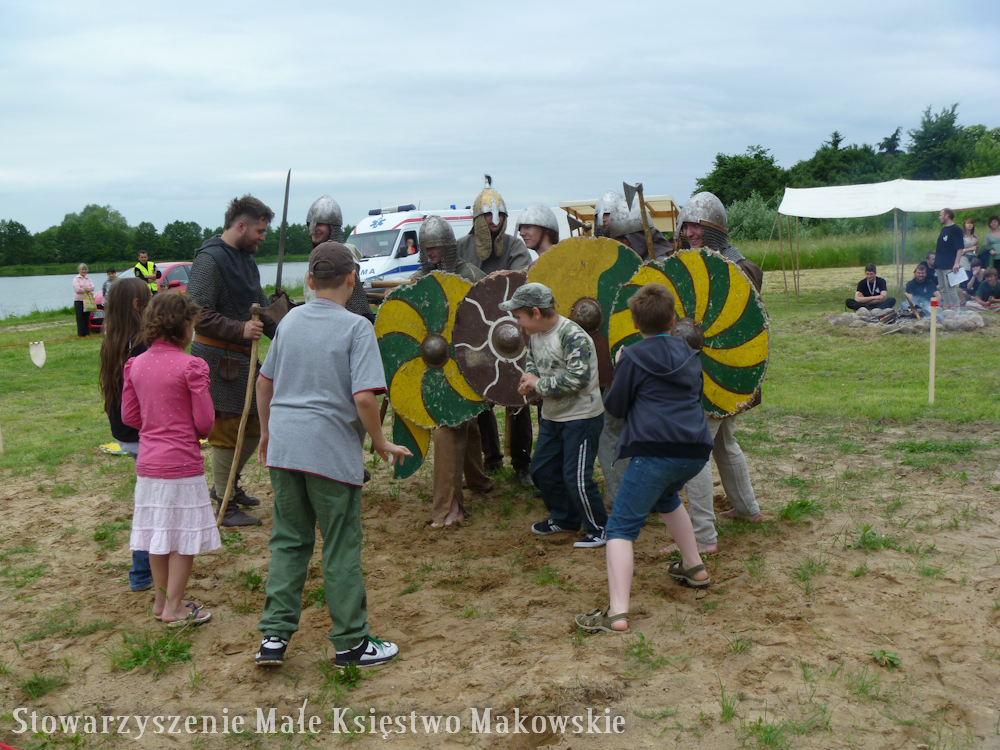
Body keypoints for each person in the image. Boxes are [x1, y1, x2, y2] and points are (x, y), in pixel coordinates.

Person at [254, 241, 410, 668]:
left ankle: (273, 638)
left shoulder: (288, 322)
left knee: (289, 542)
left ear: (309, 279)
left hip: (286, 448)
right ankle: (352, 645)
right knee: (340, 545)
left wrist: (267, 433)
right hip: (328, 451)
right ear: (352, 279)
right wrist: (380, 441)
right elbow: (364, 398)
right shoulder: (357, 327)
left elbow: (265, 384)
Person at [574, 284, 712, 634]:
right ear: (673, 320)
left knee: (620, 528)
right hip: (695, 448)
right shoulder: (689, 352)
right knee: (666, 496)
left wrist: (622, 366)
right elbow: (696, 394)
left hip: (655, 451)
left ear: (635, 324)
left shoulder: (633, 357)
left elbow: (616, 408)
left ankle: (617, 613)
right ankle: (694, 567)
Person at [669, 192, 765, 555]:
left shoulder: (741, 267)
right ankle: (747, 508)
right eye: (686, 226)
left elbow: (740, 327)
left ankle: (703, 536)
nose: (691, 233)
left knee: (696, 450)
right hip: (707, 372)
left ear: (715, 230)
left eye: (698, 227)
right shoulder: (692, 261)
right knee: (724, 442)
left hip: (722, 373)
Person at [122, 292, 221, 627]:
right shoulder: (191, 365)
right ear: (184, 327)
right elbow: (205, 423)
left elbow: (129, 416)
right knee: (183, 537)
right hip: (181, 463)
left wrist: (156, 422)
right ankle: (175, 608)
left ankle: (161, 602)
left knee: (158, 534)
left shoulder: (135, 364)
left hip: (149, 464)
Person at [187, 195, 276, 527]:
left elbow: (260, 308)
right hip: (217, 359)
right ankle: (224, 503)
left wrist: (286, 323)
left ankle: (227, 484)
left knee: (256, 423)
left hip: (243, 360)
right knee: (227, 429)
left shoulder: (246, 260)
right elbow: (196, 312)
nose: (262, 238)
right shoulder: (209, 260)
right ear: (241, 226)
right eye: (259, 231)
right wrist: (239, 329)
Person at [503, 283, 608, 548]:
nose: (518, 323)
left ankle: (600, 528)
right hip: (553, 416)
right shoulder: (535, 334)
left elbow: (578, 379)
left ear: (536, 313)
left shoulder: (571, 335)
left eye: (519, 317)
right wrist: (529, 380)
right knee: (543, 470)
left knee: (577, 477)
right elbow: (533, 363)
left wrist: (538, 384)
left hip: (581, 418)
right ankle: (565, 518)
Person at [411, 217, 493, 525]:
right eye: (427, 249)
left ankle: (447, 508)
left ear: (448, 247)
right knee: (460, 420)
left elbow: (488, 319)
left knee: (455, 423)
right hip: (436, 361)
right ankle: (476, 481)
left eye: (436, 248)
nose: (431, 254)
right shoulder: (421, 278)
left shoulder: (471, 276)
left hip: (467, 360)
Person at [456, 177, 534, 485]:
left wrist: (499, 281)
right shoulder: (461, 247)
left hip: (511, 331)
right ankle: (491, 458)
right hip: (475, 334)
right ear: (477, 217)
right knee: (479, 396)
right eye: (487, 214)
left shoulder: (514, 246)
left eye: (498, 214)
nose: (493, 220)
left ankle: (522, 463)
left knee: (519, 394)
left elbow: (522, 278)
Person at [98, 277, 153, 592]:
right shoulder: (141, 345)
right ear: (137, 305)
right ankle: (142, 572)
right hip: (141, 434)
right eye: (148, 299)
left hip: (126, 432)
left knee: (149, 499)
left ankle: (148, 568)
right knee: (150, 503)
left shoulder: (114, 339)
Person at [303, 195, 375, 323]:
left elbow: (355, 299)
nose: (314, 228)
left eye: (320, 224)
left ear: (333, 226)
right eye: (311, 224)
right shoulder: (316, 256)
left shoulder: (344, 253)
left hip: (341, 322)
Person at [594, 189, 671, 261]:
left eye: (623, 239)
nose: (618, 243)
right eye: (616, 239)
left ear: (638, 238)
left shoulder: (662, 263)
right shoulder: (621, 260)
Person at [934, 208, 965, 308]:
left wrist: (956, 263)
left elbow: (960, 248)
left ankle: (955, 310)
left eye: (941, 215)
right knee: (943, 288)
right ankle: (947, 309)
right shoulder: (944, 230)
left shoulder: (956, 230)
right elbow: (940, 248)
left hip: (950, 264)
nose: (940, 217)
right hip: (940, 264)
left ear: (946, 216)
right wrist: (936, 264)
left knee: (950, 288)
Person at [72, 263, 94, 337]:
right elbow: (77, 290)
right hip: (79, 300)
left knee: (86, 316)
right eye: (82, 269)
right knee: (80, 317)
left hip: (87, 300)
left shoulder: (89, 279)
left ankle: (87, 332)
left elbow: (93, 287)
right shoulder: (76, 279)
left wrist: (84, 288)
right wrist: (86, 289)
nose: (84, 271)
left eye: (85, 269)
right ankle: (81, 333)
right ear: (79, 270)